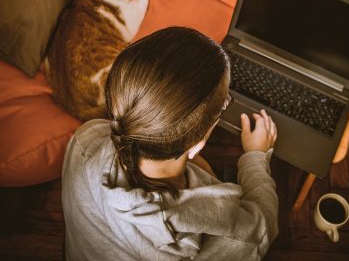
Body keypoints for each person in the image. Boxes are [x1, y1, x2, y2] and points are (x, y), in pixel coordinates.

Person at [62, 26, 279, 261]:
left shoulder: (85, 140)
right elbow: (264, 224)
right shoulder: (231, 237)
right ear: (195, 145)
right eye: (224, 103)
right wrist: (256, 156)